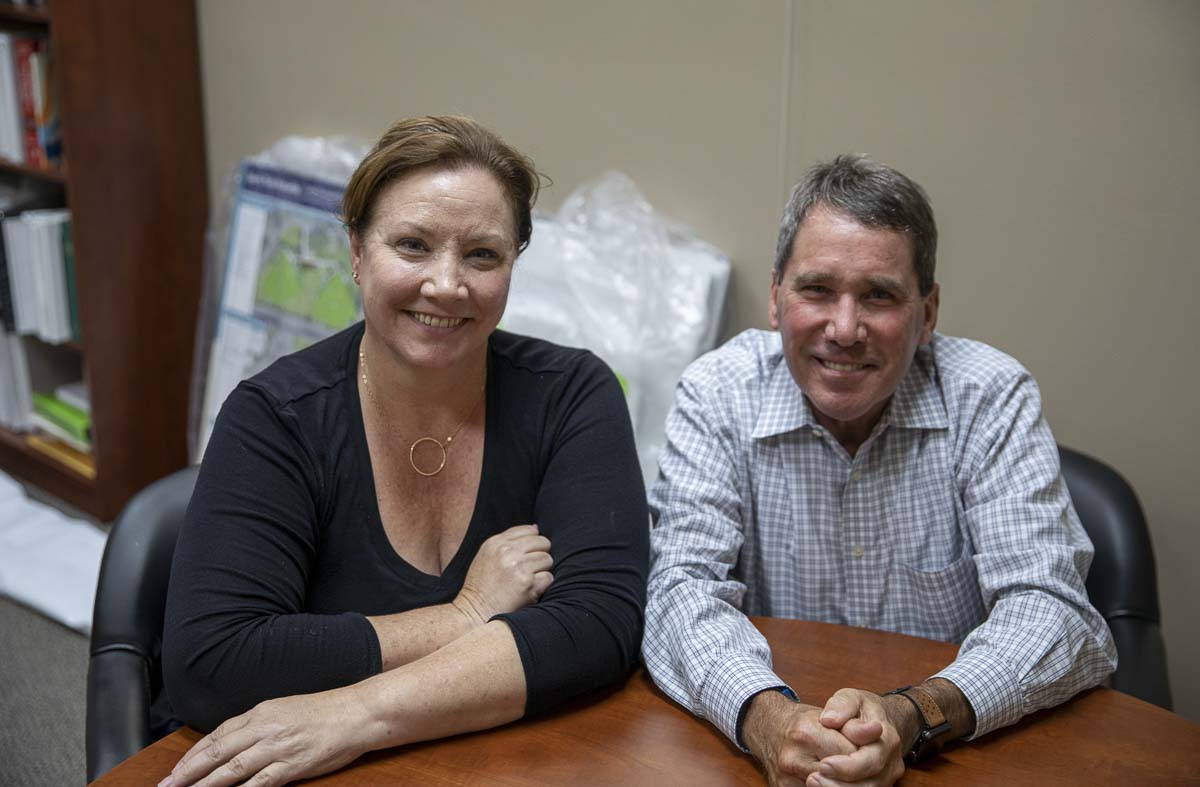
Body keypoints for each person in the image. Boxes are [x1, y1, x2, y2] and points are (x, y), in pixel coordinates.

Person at [160, 116, 648, 786]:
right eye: (412, 245)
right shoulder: (274, 418)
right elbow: (213, 664)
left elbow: (599, 627)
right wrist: (466, 615)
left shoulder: (574, 395)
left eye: (482, 255)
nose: (447, 284)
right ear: (356, 252)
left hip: (494, 762)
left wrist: (354, 711)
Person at [642, 155, 1116, 786]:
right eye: (816, 290)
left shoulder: (991, 396)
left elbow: (1055, 612)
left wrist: (911, 716)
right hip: (777, 752)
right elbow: (678, 592)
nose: (844, 328)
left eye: (880, 296)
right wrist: (766, 718)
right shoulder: (717, 393)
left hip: (951, 758)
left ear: (929, 312)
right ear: (777, 298)